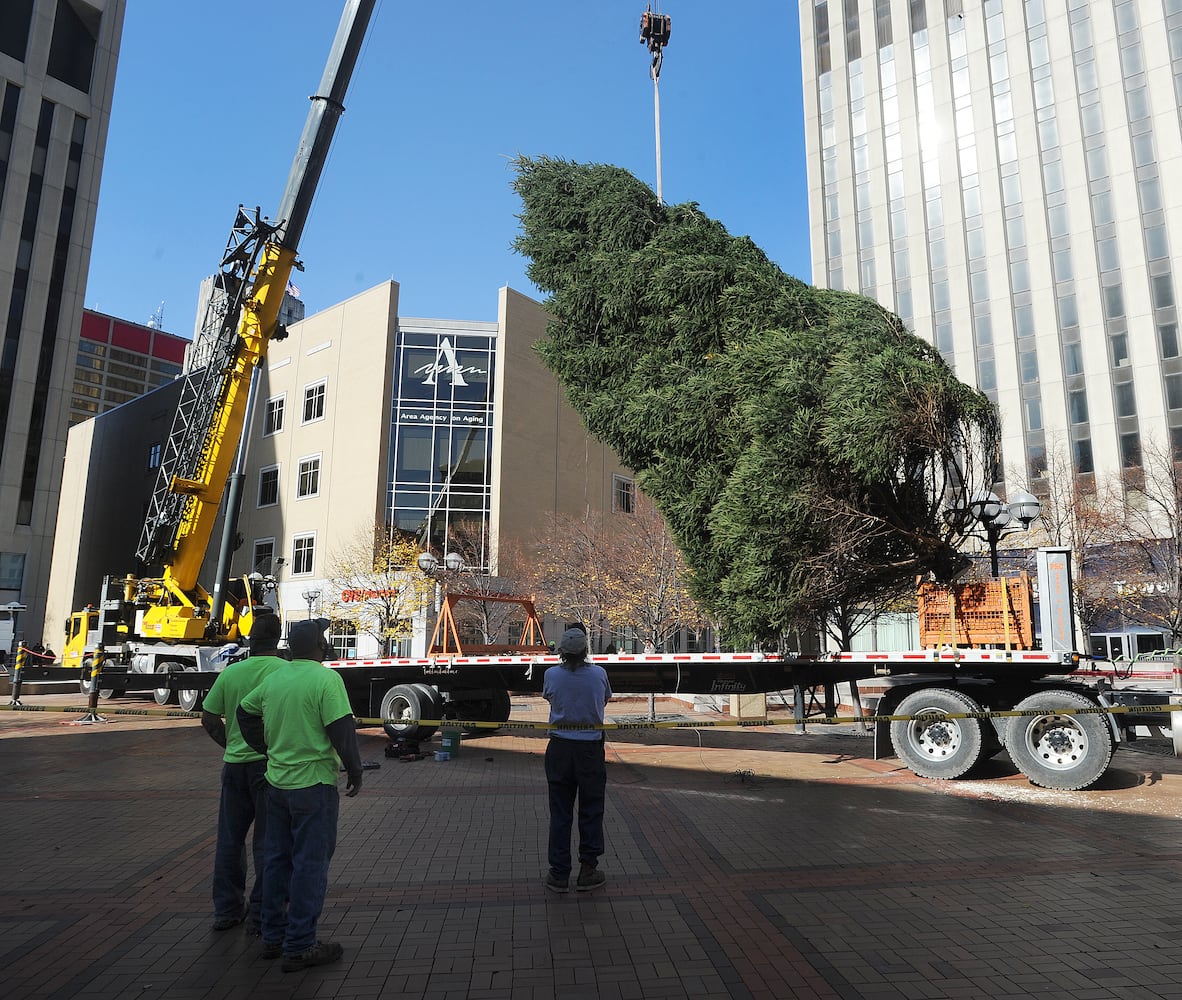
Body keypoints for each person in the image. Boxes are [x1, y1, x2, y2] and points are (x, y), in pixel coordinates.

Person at [237, 618, 363, 973]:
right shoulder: (326, 679)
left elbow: (245, 712)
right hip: (314, 787)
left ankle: (272, 937)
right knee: (310, 864)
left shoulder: (275, 679)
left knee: (276, 861)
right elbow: (341, 728)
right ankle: (300, 945)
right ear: (320, 647)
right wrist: (354, 769)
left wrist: (265, 747)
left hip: (277, 786)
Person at [200, 611, 287, 933]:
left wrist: (230, 745)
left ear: (250, 639)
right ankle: (263, 913)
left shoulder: (231, 673)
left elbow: (209, 718)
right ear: (278, 640)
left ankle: (227, 910)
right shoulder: (284, 672)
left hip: (234, 767)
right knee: (269, 842)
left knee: (230, 840)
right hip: (270, 768)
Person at [542, 626, 612, 894]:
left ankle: (559, 874)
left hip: (559, 748)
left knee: (560, 812)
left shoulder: (551, 675)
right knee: (591, 809)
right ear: (585, 650)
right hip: (590, 750)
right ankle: (588, 869)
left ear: (560, 651)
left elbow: (549, 697)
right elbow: (604, 700)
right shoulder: (599, 674)